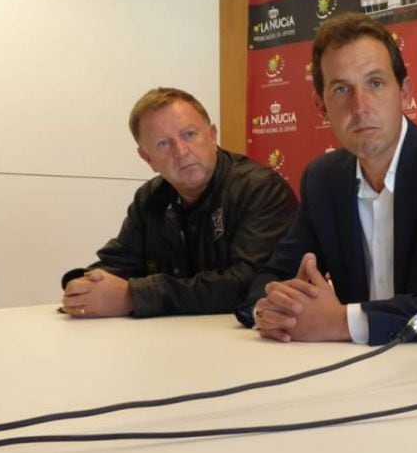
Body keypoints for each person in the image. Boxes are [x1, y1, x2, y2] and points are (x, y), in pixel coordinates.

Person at [241, 13, 417, 345]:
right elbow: (269, 280)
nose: (360, 106)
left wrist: (344, 322)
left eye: (375, 83)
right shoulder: (322, 180)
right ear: (321, 106)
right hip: (358, 372)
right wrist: (270, 311)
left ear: (405, 91)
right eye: (342, 89)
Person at [60, 88, 297, 318]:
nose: (181, 151)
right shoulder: (150, 198)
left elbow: (251, 283)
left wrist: (134, 296)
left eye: (189, 135)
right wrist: (87, 285)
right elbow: (118, 262)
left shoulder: (260, 189)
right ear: (147, 158)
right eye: (163, 143)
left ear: (212, 135)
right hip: (169, 344)